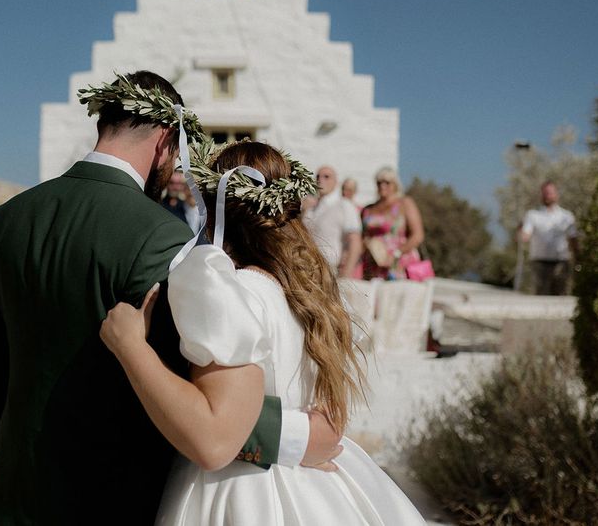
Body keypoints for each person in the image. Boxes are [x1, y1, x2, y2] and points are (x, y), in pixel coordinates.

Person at [0, 72, 340, 525]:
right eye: (178, 155)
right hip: (113, 493)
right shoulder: (164, 237)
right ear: (165, 140)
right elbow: (195, 382)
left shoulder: (8, 219)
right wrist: (293, 437)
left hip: (17, 487)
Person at [100, 141, 425, 525]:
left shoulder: (231, 291)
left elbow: (214, 437)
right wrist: (298, 436)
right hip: (320, 487)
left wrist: (130, 346)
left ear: (213, 208)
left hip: (242, 491)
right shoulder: (312, 293)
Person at [361, 167, 425, 280]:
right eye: (379, 182)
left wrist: (396, 254)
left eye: (387, 182)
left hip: (398, 262)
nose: (382, 185)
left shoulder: (404, 204)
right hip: (373, 263)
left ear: (395, 184)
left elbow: (418, 235)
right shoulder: (368, 209)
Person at [519, 180, 579, 295]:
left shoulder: (567, 216)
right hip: (539, 264)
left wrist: (577, 257)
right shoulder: (532, 215)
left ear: (556, 194)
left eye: (550, 192)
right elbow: (525, 236)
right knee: (540, 297)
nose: (548, 195)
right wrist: (520, 232)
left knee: (560, 296)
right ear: (541, 194)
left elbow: (573, 239)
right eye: (545, 193)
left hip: (561, 263)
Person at [303, 165, 362, 278]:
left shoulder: (344, 205)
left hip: (331, 272)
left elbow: (355, 242)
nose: (321, 180)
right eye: (318, 176)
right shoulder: (311, 210)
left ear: (336, 182)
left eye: (326, 177)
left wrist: (345, 275)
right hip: (308, 271)